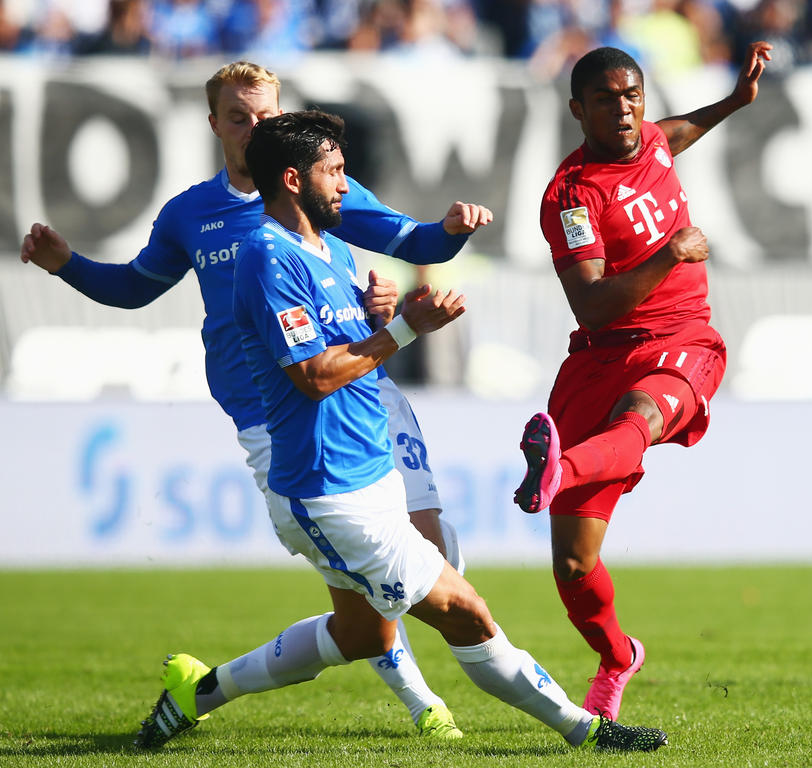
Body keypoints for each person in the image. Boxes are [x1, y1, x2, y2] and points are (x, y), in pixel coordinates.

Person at [132, 109, 669, 753]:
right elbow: (313, 376)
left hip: (370, 469)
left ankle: (200, 692)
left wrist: (376, 316)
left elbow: (347, 348)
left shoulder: (327, 250)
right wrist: (407, 329)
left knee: (362, 635)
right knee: (467, 612)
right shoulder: (266, 257)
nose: (344, 183)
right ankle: (588, 731)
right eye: (333, 171)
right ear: (294, 179)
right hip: (330, 492)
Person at [19, 60, 492, 740]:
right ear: (214, 124)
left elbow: (409, 240)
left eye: (265, 115)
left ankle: (209, 689)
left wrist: (450, 231)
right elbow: (134, 288)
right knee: (374, 582)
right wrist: (69, 264)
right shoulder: (191, 213)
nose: (253, 128)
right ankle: (425, 704)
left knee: (433, 547)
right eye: (238, 117)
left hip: (361, 385)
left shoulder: (323, 183)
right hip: (274, 414)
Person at [514, 42, 773, 721]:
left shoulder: (653, 139)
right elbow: (593, 304)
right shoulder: (571, 198)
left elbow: (675, 133)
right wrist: (670, 252)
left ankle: (558, 469)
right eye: (607, 99)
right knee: (573, 565)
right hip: (602, 350)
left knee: (638, 420)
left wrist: (735, 102)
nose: (625, 110)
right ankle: (618, 655)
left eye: (633, 95)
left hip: (683, 342)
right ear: (578, 110)